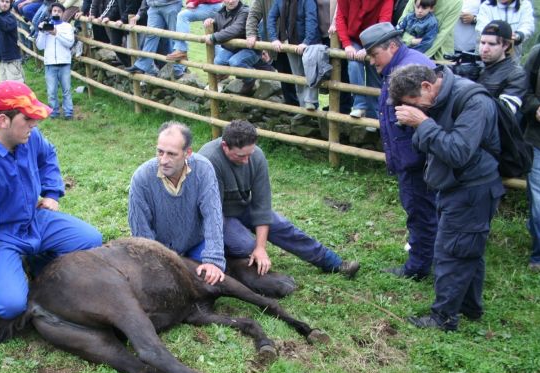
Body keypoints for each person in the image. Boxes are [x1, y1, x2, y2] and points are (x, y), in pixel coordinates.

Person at [0, 81, 102, 330]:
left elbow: (48, 156)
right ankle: (10, 266)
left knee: (91, 239)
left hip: (34, 219)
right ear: (3, 120)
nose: (35, 124)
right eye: (28, 118)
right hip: (2, 236)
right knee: (9, 305)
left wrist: (52, 193)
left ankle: (35, 261)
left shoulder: (28, 137)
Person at [390, 64, 505, 331]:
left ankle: (444, 318)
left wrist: (423, 123)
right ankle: (469, 307)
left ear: (427, 87)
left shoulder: (474, 102)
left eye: (414, 103)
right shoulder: (439, 100)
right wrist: (421, 126)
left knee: (451, 253)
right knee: (467, 249)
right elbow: (428, 144)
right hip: (452, 187)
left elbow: (458, 152)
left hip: (472, 190)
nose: (416, 110)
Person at [198, 120, 360, 278]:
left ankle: (333, 263)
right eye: (241, 156)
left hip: (241, 206)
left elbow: (262, 206)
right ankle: (226, 256)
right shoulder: (209, 160)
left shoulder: (257, 156)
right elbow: (212, 214)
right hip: (217, 214)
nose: (247, 161)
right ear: (225, 146)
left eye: (250, 154)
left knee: (283, 227)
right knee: (245, 245)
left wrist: (261, 247)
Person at [360, 23, 437, 280]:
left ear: (392, 46)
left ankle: (418, 267)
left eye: (374, 54)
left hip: (418, 160)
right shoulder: (396, 67)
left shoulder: (413, 70)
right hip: (410, 157)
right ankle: (429, 254)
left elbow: (431, 115)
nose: (372, 62)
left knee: (420, 210)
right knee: (420, 208)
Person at [128, 122, 226, 285]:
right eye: (160, 152)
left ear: (187, 153)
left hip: (195, 242)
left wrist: (213, 260)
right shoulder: (142, 178)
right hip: (160, 249)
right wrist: (156, 264)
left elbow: (213, 216)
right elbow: (141, 231)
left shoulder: (203, 169)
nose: (163, 160)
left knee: (207, 281)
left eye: (171, 154)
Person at [335, 0, 393, 119]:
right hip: (354, 39)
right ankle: (359, 105)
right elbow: (340, 18)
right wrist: (347, 45)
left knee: (375, 70)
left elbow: (384, 21)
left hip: (376, 39)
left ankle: (375, 115)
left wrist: (369, 48)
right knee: (354, 64)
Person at [267, 0, 322, 110]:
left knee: (311, 75)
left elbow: (311, 21)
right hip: (292, 45)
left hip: (310, 46)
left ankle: (312, 105)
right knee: (298, 78)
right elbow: (271, 18)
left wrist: (306, 42)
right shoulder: (280, 1)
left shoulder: (307, 1)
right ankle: (303, 108)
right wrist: (274, 39)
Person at [245, 0, 300, 106]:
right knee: (285, 75)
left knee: (304, 75)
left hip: (298, 41)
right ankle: (293, 108)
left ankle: (308, 109)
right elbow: (253, 15)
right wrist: (251, 34)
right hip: (277, 44)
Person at [203, 0, 259, 96]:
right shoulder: (220, 13)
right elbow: (221, 29)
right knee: (218, 61)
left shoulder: (245, 12)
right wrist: (212, 23)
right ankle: (222, 79)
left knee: (235, 62)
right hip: (232, 49)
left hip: (250, 49)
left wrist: (213, 37)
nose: (231, 1)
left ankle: (250, 78)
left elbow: (235, 30)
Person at [476, 20, 527, 115]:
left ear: (506, 45)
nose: (485, 49)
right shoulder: (476, 66)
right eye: (482, 43)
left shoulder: (516, 75)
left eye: (492, 44)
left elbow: (504, 113)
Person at [125, 0, 186, 79]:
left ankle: (178, 69)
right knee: (150, 35)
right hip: (153, 7)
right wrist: (139, 14)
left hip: (171, 5)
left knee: (175, 36)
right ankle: (141, 66)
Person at [36, 2, 75, 119]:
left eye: (59, 11)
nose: (56, 13)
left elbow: (69, 43)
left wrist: (56, 33)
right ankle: (54, 112)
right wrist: (43, 32)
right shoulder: (45, 26)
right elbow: (39, 46)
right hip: (50, 63)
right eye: (54, 11)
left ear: (63, 13)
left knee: (66, 90)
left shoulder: (67, 27)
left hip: (64, 62)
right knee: (51, 91)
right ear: (51, 12)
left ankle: (68, 112)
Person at [522, 42, 540, 271]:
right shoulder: (538, 53)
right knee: (539, 201)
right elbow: (523, 91)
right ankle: (539, 254)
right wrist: (535, 107)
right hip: (538, 141)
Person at [397, 0, 462, 60]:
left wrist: (417, 58)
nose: (420, 10)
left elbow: (442, 35)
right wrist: (410, 40)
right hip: (404, 48)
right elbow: (401, 23)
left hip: (437, 54)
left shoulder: (456, 2)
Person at [0, 0, 25, 82]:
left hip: (11, 59)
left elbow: (4, 26)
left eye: (7, 2)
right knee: (4, 89)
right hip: (1, 59)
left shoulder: (11, 18)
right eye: (2, 1)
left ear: (10, 4)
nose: (5, 4)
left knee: (15, 88)